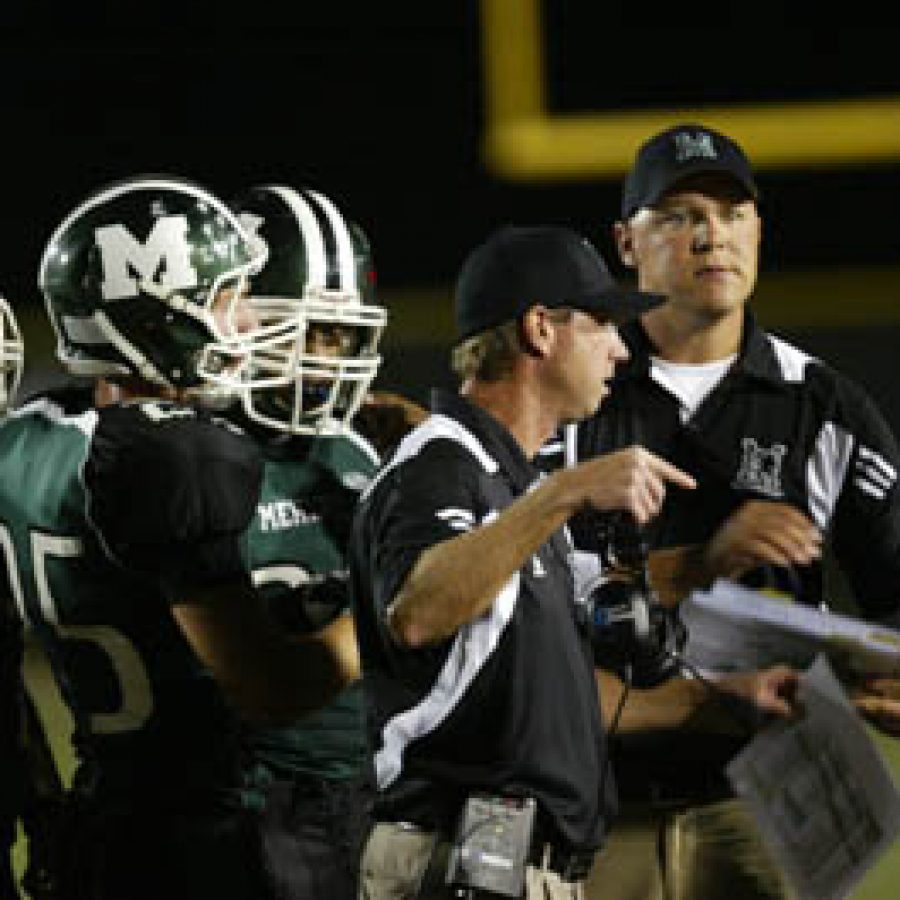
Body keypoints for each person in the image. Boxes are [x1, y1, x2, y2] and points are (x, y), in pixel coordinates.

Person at [349, 224, 801, 900]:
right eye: (601, 324)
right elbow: (417, 612)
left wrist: (725, 697)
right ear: (539, 329)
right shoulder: (442, 464)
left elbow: (557, 699)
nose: (620, 349)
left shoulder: (510, 486)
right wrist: (565, 491)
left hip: (513, 866)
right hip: (459, 860)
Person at [540, 123, 900, 900]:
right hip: (599, 806)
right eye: (679, 216)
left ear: (760, 232)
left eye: (734, 214)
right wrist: (699, 563)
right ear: (625, 243)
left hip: (765, 806)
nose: (712, 237)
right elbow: (519, 609)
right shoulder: (569, 397)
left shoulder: (827, 409)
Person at [1, 174, 358, 900]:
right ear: (154, 321)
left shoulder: (24, 444)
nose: (248, 326)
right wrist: (389, 617)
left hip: (104, 815)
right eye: (226, 301)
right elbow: (269, 687)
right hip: (208, 842)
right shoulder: (174, 455)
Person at [221, 182, 389, 899]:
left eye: (338, 335)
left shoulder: (354, 453)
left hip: (366, 789)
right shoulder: (197, 459)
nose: (324, 361)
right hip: (253, 799)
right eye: (303, 332)